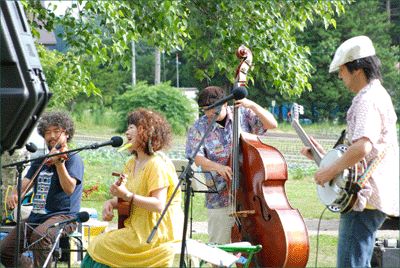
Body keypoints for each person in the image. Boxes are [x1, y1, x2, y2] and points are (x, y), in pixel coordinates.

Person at [301, 36, 399, 267]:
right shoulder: (378, 94)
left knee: (350, 264)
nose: (340, 76)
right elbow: (364, 149)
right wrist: (324, 156)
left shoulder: (367, 100)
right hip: (369, 196)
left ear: (356, 69)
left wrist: (327, 172)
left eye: (342, 70)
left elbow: (363, 147)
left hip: (363, 198)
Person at [81, 108, 183, 267]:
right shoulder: (131, 163)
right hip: (136, 228)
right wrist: (111, 203)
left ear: (145, 130)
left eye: (131, 127)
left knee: (100, 245)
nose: (126, 132)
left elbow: (158, 205)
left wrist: (127, 195)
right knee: (98, 245)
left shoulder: (156, 165)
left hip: (155, 233)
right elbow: (126, 197)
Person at [185, 86, 278, 245]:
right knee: (218, 246)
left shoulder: (242, 115)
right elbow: (197, 158)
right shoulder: (198, 127)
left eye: (212, 109)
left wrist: (252, 105)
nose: (208, 114)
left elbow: (272, 124)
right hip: (218, 197)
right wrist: (218, 167)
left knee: (256, 244)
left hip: (250, 195)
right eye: (204, 110)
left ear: (225, 105)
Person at [0, 111, 84, 267]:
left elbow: (69, 189)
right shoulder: (41, 160)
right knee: (5, 250)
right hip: (37, 216)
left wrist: (60, 165)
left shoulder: (73, 158)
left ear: (66, 133)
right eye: (47, 132)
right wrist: (15, 193)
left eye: (56, 131)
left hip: (64, 216)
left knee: (40, 235)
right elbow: (26, 182)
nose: (51, 136)